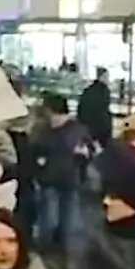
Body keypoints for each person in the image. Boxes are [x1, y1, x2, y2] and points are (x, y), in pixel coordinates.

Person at [30, 93, 93, 255]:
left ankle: (54, 249)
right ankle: (54, 249)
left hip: (63, 179)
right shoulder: (74, 129)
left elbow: (88, 150)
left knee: (59, 219)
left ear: (50, 109)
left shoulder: (47, 129)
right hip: (57, 179)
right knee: (55, 218)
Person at [76, 67, 113, 149]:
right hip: (100, 129)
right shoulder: (104, 91)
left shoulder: (88, 90)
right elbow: (104, 109)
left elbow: (80, 109)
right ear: (102, 77)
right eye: (107, 77)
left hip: (87, 128)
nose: (108, 79)